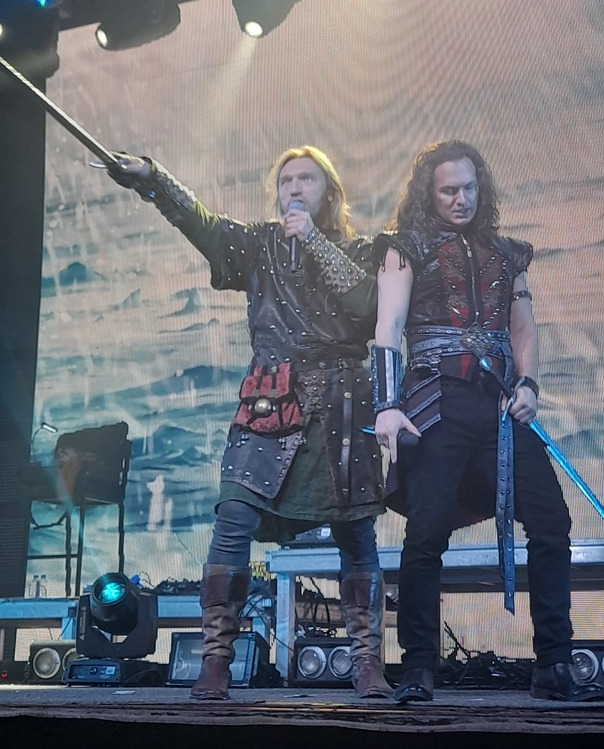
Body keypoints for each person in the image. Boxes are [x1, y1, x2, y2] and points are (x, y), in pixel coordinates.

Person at [105, 146, 392, 700]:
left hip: (340, 404)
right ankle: (216, 660)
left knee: (356, 532)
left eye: (306, 179)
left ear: (329, 192)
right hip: (270, 399)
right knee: (233, 515)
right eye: (286, 181)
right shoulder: (259, 245)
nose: (294, 189)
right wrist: (152, 179)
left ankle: (366, 662)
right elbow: (201, 223)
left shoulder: (362, 250)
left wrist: (313, 240)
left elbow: (367, 307)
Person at [371, 139, 604, 704]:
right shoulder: (404, 249)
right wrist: (386, 404)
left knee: (550, 522)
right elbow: (388, 327)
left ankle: (554, 665)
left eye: (470, 188)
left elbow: (523, 326)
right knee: (426, 533)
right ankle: (418, 668)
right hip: (437, 404)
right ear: (429, 193)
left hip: (500, 407)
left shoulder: (508, 254)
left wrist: (528, 385)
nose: (462, 199)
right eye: (450, 190)